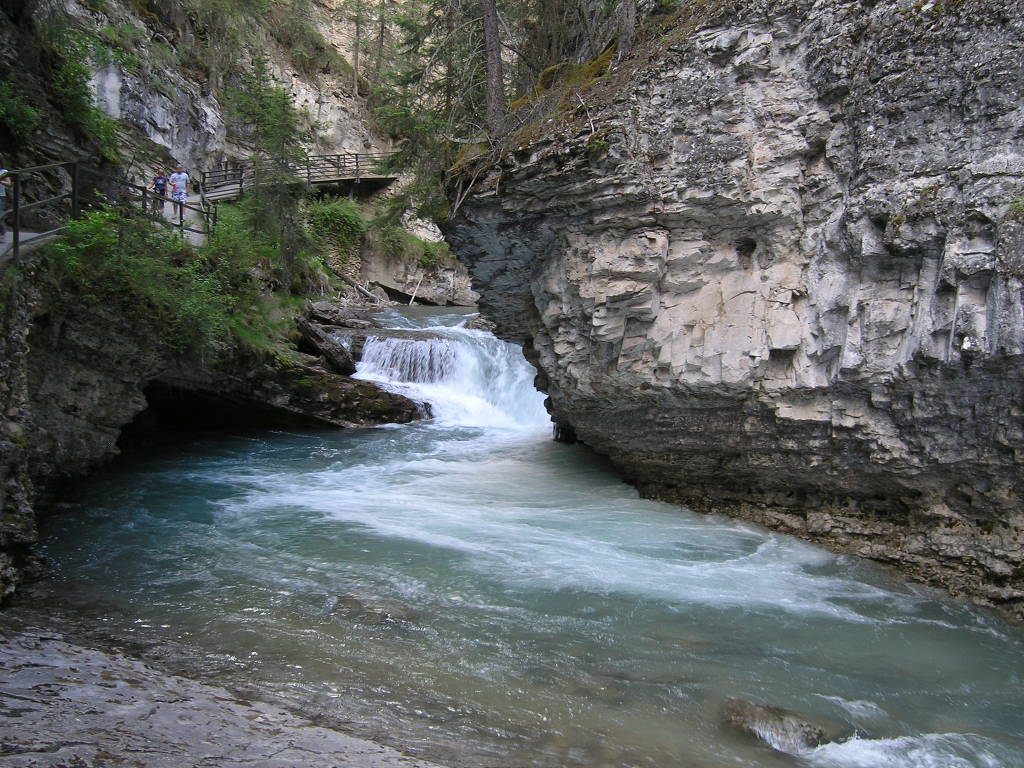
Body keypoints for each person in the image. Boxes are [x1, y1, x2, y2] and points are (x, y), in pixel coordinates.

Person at [0, 162, 11, 237]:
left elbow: (8, 183)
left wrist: (0, 181)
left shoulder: (4, 172)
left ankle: (2, 232)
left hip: (0, 196)